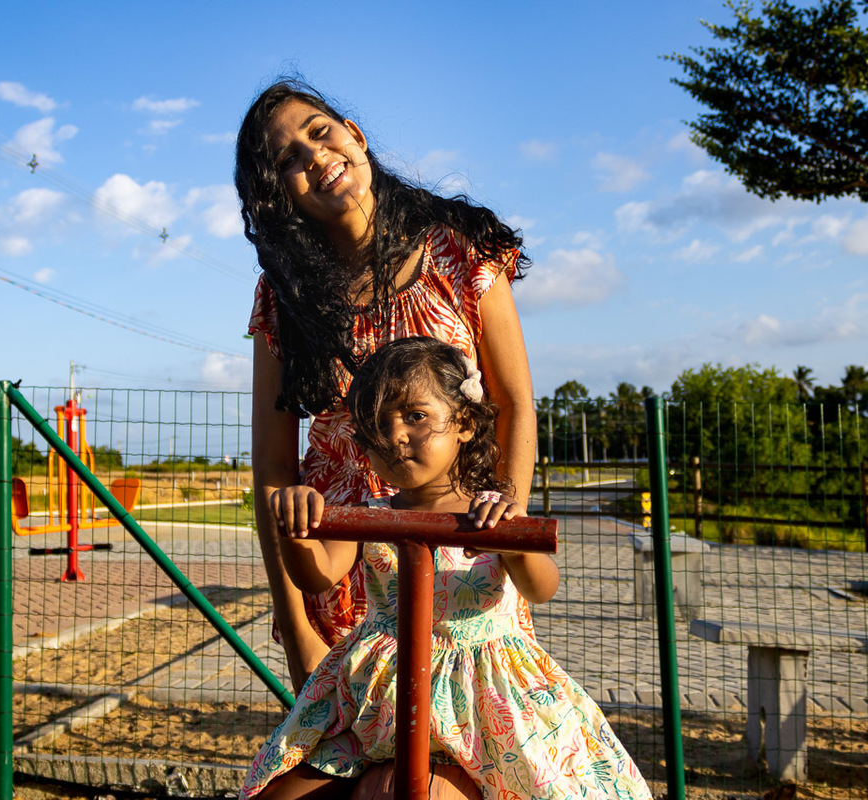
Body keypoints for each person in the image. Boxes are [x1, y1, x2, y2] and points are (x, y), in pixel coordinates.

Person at [239, 337, 653, 800]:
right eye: (377, 423)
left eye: (415, 416)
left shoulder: (490, 514)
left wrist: (514, 543)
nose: (395, 435)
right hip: (381, 704)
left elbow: (542, 588)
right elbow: (316, 576)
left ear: (464, 423)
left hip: (485, 703)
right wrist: (298, 530)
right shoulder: (369, 514)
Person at [236, 81, 537, 691]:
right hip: (340, 585)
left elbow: (512, 404)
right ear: (278, 199)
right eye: (287, 160)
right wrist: (295, 629)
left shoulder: (459, 251)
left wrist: (507, 508)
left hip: (459, 570)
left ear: (356, 136)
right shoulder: (283, 300)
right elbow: (273, 467)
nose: (314, 157)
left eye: (319, 134)